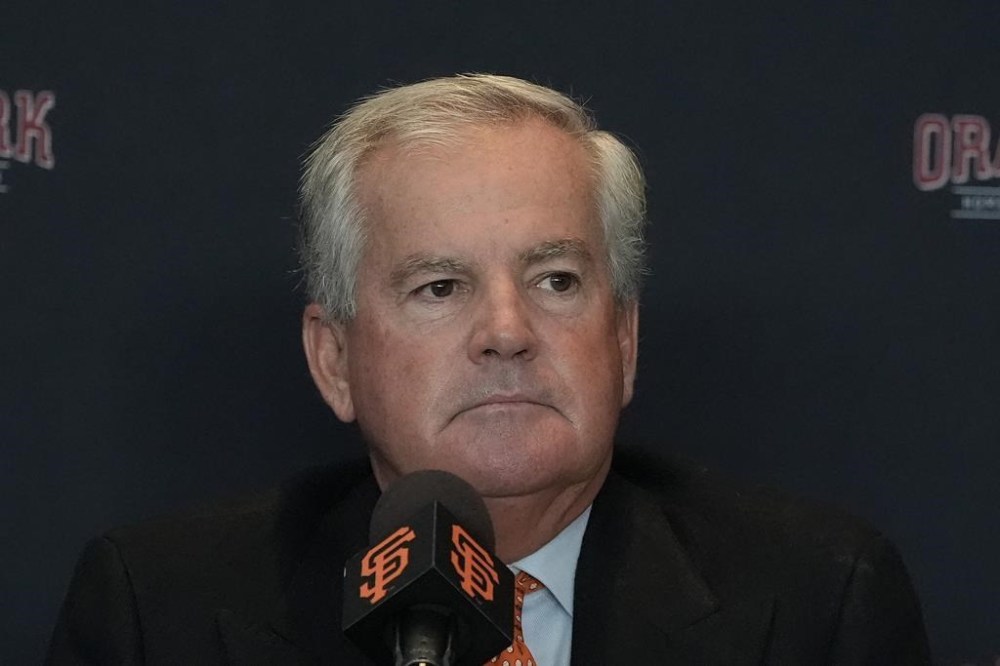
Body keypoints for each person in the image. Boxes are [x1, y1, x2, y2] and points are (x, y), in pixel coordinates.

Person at [47, 74, 931, 665]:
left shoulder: (821, 602)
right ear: (335, 360)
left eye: (556, 280)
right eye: (440, 286)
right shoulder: (158, 612)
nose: (507, 332)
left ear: (623, 341)